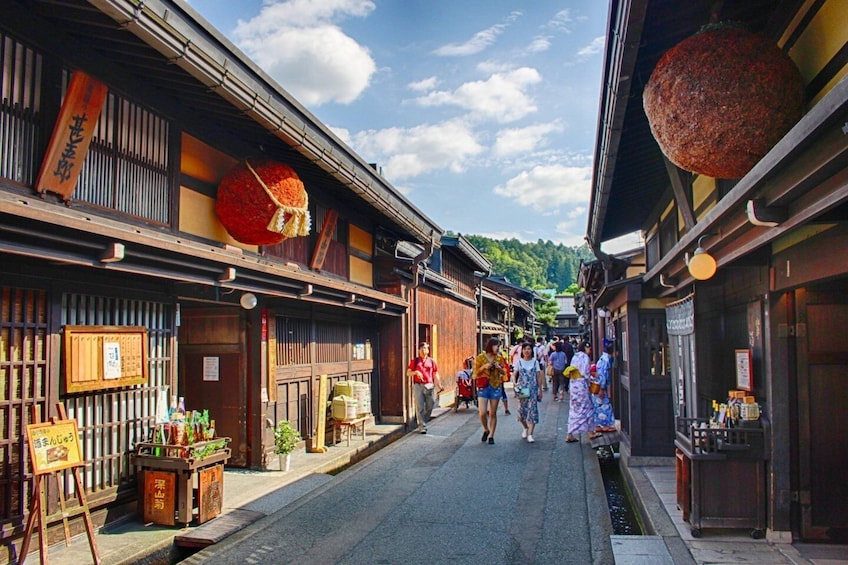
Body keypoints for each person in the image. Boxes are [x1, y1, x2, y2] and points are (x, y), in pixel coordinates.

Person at [474, 337, 507, 445]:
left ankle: (491, 435)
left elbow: (504, 372)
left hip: (495, 386)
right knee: (482, 412)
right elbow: (475, 374)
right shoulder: (480, 358)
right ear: (490, 346)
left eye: (499, 346)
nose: (498, 348)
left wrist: (498, 368)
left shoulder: (499, 358)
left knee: (493, 413)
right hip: (483, 386)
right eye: (496, 345)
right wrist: (484, 367)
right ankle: (485, 429)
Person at [406, 342, 442, 434]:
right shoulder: (415, 361)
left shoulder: (431, 361)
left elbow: (435, 373)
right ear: (418, 350)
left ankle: (423, 421)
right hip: (418, 386)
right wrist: (416, 372)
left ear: (428, 350)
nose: (424, 350)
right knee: (420, 406)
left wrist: (439, 385)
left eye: (425, 348)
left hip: (429, 385)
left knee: (431, 403)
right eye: (422, 348)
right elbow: (408, 373)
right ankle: (422, 426)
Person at [512, 342, 544, 443]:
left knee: (532, 410)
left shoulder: (535, 362)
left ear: (532, 351)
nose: (527, 351)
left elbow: (539, 376)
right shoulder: (519, 362)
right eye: (525, 349)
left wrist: (540, 389)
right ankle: (525, 427)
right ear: (522, 351)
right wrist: (514, 383)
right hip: (522, 389)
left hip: (533, 388)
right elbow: (514, 374)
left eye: (529, 349)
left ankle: (530, 434)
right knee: (522, 411)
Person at [565, 341, 594, 443]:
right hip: (581, 385)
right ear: (586, 348)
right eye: (589, 349)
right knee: (586, 408)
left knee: (574, 408)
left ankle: (570, 433)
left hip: (573, 384)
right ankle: (590, 432)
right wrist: (591, 380)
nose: (590, 351)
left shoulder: (575, 356)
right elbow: (585, 372)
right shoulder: (585, 357)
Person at [590, 342, 617, 437]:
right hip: (600, 385)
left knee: (598, 406)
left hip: (597, 384)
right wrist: (602, 388)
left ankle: (597, 425)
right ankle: (605, 425)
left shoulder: (604, 358)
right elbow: (603, 375)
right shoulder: (606, 360)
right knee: (604, 405)